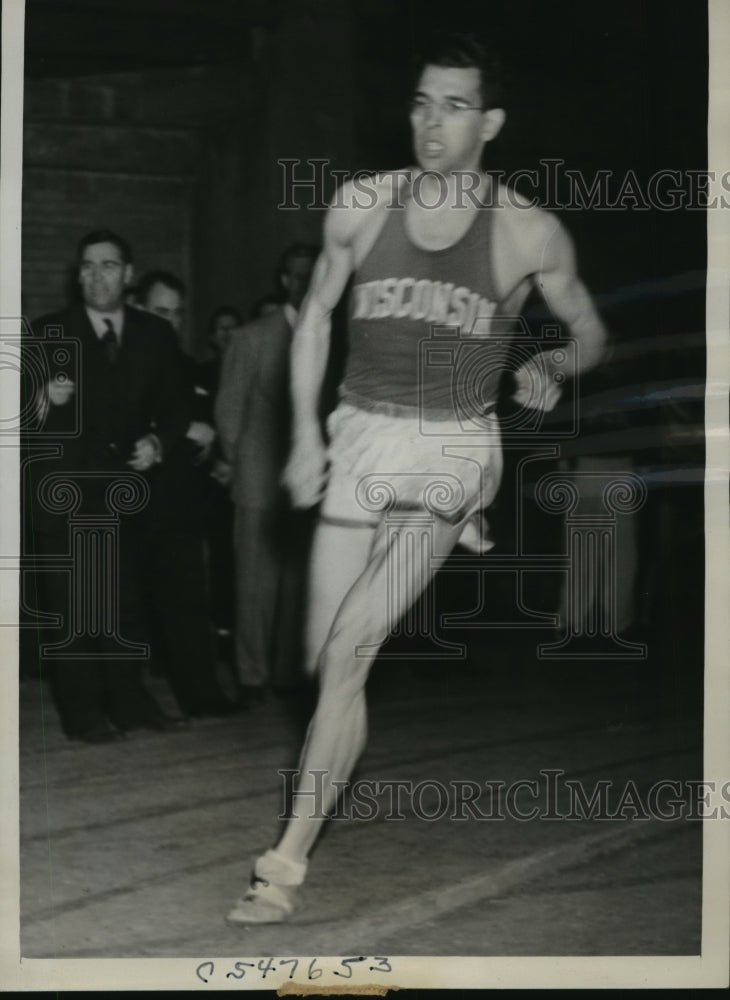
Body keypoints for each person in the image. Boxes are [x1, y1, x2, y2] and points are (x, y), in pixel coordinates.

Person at [226, 34, 607, 923]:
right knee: (330, 664)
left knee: (356, 645)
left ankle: (281, 867)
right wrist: (304, 438)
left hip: (452, 451)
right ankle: (324, 792)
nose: (433, 123)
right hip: (361, 433)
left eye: (457, 106)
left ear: (493, 122)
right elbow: (315, 313)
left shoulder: (526, 230)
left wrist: (552, 368)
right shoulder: (363, 204)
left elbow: (588, 330)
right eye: (422, 103)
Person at [25, 230, 191, 742]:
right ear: (78, 276)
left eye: (108, 265)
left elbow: (177, 405)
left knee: (125, 603)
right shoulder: (48, 332)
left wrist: (159, 444)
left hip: (127, 493)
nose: (96, 275)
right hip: (64, 494)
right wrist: (43, 400)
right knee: (73, 606)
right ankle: (82, 714)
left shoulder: (154, 334)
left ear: (128, 275)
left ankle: (130, 702)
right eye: (87, 267)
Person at [215, 245, 319, 705]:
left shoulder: (331, 338)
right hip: (258, 485)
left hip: (308, 487)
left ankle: (287, 676)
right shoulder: (253, 338)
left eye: (313, 275)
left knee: (299, 588)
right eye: (295, 275)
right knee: (254, 588)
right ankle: (252, 675)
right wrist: (247, 463)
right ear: (283, 280)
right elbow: (227, 411)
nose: (303, 284)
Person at [136, 270, 236, 717]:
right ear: (138, 309)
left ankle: (202, 696)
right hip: (129, 502)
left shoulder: (185, 365)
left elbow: (200, 424)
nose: (171, 323)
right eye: (161, 312)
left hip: (177, 502)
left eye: (177, 314)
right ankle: (125, 700)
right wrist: (177, 435)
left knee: (189, 599)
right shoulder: (119, 360)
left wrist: (204, 440)